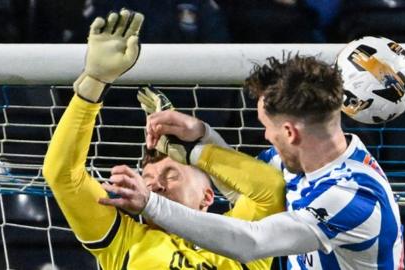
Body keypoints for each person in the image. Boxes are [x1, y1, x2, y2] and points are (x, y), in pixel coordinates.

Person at [102, 55, 405, 269]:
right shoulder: (294, 160)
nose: (264, 135)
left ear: (289, 132)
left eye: (266, 126)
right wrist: (199, 137)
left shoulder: (352, 198)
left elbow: (251, 241)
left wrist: (150, 204)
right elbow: (247, 196)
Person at [42, 9, 285, 270]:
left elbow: (270, 189)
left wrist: (196, 149)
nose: (155, 186)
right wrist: (93, 85)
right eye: (146, 180)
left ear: (207, 196)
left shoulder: (241, 238)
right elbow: (62, 174)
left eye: (171, 175)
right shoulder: (125, 241)